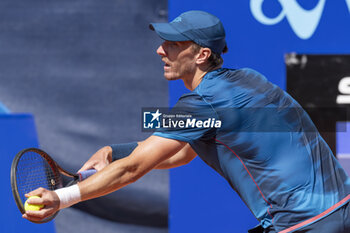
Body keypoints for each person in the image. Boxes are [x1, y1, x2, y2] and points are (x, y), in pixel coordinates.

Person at [22, 10, 350, 233]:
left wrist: (62, 198)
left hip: (304, 223)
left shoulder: (201, 103)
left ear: (201, 55)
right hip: (341, 207)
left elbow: (134, 169)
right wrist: (114, 151)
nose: (160, 51)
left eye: (173, 44)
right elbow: (182, 151)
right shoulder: (247, 78)